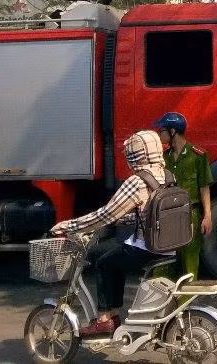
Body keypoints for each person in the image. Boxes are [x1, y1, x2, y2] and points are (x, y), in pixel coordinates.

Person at [49, 130, 172, 338]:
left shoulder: (138, 181)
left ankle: (105, 319)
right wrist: (125, 219)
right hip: (168, 245)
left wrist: (69, 226)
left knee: (102, 260)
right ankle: (114, 315)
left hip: (147, 247)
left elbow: (104, 215)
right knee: (115, 255)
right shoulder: (167, 174)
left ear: (137, 153)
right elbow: (150, 210)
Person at [154, 112, 213, 279]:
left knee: (189, 263)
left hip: (190, 214)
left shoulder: (198, 156)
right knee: (167, 261)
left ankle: (186, 303)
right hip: (168, 215)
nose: (160, 135)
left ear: (172, 131)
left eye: (162, 131)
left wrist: (207, 216)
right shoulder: (163, 158)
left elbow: (204, 187)